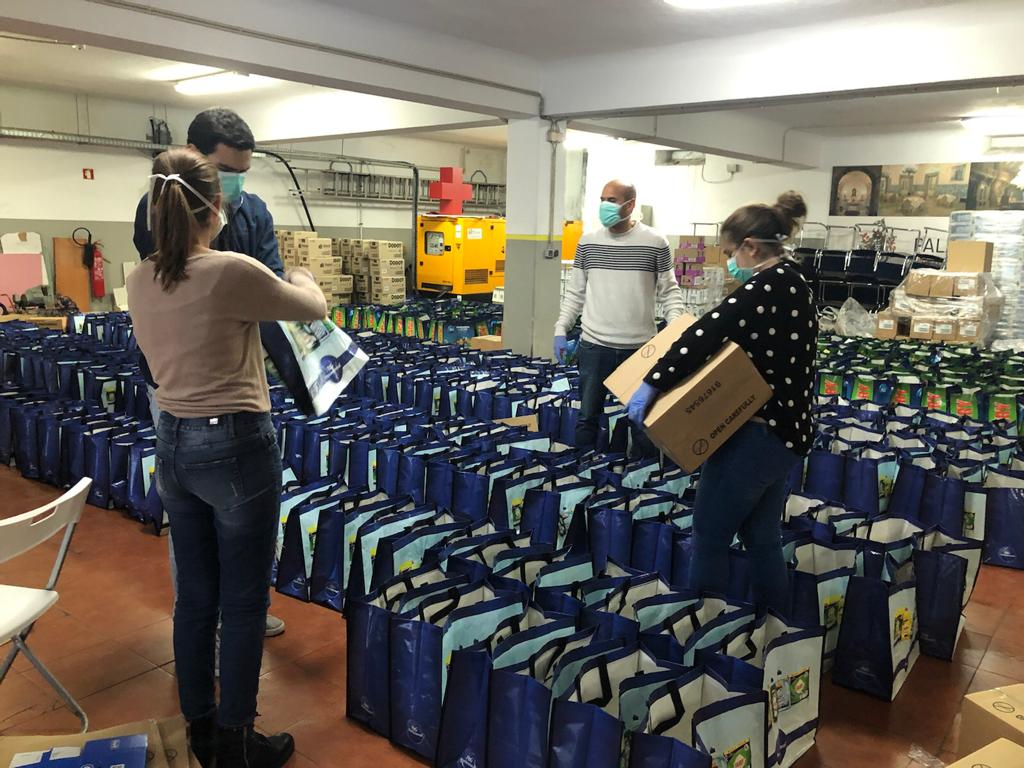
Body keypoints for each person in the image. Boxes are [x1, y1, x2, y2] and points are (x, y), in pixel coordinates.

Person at [127, 147, 327, 768]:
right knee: (243, 602)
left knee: (195, 598)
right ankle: (238, 742)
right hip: (236, 446)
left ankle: (201, 729)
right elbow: (312, 309)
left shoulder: (139, 278)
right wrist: (302, 277)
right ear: (216, 208)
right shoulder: (231, 271)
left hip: (173, 445)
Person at [133, 107, 287, 639]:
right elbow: (178, 281)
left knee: (240, 523)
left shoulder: (254, 212)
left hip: (240, 385)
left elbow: (274, 287)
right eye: (226, 172)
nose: (236, 184)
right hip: (181, 391)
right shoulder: (158, 209)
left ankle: (240, 612)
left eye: (244, 172)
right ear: (194, 160)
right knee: (195, 527)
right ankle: (209, 620)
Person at [627, 192, 815, 614]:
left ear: (750, 246)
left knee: (709, 536)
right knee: (762, 537)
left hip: (758, 437)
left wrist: (653, 382)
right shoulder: (795, 280)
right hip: (787, 435)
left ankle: (704, 631)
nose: (730, 262)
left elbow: (705, 333)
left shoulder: (766, 286)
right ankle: (774, 624)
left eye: (730, 253)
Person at [554, 179, 685, 455]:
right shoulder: (588, 242)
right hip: (594, 346)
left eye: (611, 200)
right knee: (587, 418)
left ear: (630, 204)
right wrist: (561, 329)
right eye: (602, 199)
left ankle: (641, 476)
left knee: (642, 422)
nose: (604, 205)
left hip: (640, 350)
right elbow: (575, 293)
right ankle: (582, 472)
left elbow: (669, 293)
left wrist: (675, 330)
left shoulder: (655, 242)